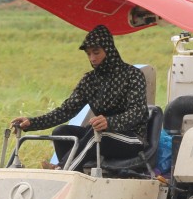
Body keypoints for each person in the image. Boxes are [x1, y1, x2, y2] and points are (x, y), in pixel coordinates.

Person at [10, 25, 148, 170]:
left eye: (96, 52)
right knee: (61, 132)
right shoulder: (90, 80)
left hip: (132, 138)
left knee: (96, 136)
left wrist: (110, 122)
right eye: (88, 54)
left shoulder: (132, 75)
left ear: (109, 50)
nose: (92, 58)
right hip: (102, 134)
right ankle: (77, 175)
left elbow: (137, 112)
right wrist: (32, 123)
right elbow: (66, 111)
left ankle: (62, 172)